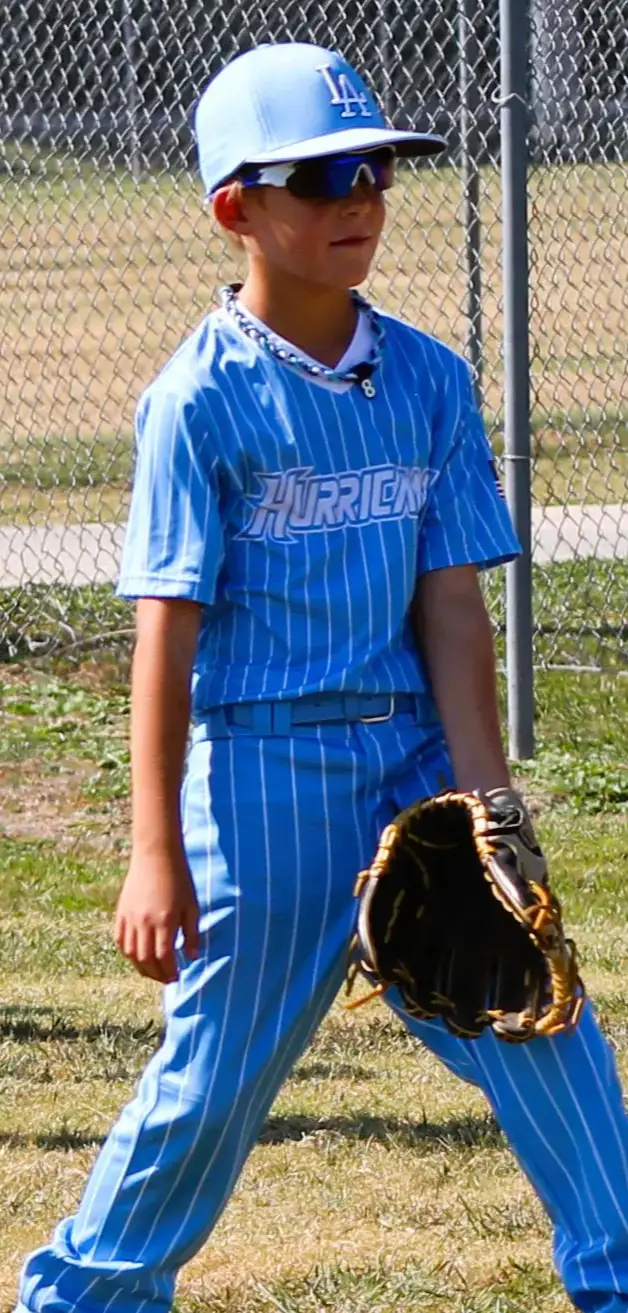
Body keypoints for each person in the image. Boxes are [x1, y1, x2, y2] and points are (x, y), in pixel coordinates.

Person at [15, 40, 628, 1313]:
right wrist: (152, 852)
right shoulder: (197, 400)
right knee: (214, 1077)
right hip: (263, 772)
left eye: (377, 170)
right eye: (320, 175)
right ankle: (87, 1295)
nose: (360, 198)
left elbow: (450, 602)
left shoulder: (427, 377)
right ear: (235, 208)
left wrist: (488, 807)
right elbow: (165, 633)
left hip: (414, 760)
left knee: (544, 1022)